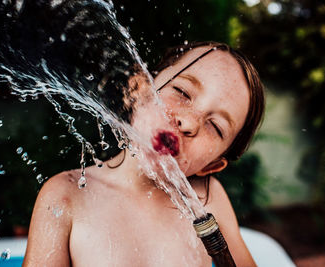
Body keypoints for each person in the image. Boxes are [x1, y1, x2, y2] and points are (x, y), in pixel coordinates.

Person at [23, 41, 265, 267]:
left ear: (210, 165)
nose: (189, 122)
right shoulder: (67, 194)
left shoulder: (207, 200)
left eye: (215, 126)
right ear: (138, 90)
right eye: (182, 92)